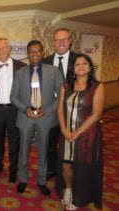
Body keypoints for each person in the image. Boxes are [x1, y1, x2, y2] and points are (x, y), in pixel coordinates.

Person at [10, 40, 63, 196]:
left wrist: (46, 110)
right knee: (23, 151)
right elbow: (13, 96)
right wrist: (25, 109)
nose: (34, 54)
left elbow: (61, 94)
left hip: (45, 117)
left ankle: (41, 180)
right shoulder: (19, 73)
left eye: (37, 51)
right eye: (31, 51)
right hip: (25, 117)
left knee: (43, 151)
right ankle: (23, 179)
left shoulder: (53, 71)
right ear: (27, 54)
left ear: (43, 53)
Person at [56, 53, 104, 210]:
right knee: (66, 166)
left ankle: (79, 197)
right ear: (73, 68)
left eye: (84, 64)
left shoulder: (97, 86)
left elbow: (97, 114)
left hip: (86, 135)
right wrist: (64, 130)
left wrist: (77, 132)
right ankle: (68, 190)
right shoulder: (66, 86)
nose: (81, 66)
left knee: (82, 168)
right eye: (77, 64)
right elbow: (60, 110)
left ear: (90, 68)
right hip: (66, 134)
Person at [0, 37, 26, 183]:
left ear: (10, 49)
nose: (1, 51)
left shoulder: (21, 66)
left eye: (3, 48)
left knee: (14, 142)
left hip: (14, 110)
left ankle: (13, 170)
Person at [42, 27, 78, 181]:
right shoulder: (45, 61)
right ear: (53, 43)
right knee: (50, 141)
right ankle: (51, 170)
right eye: (58, 40)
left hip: (72, 110)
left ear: (70, 41)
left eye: (65, 39)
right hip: (50, 109)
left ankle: (71, 171)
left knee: (71, 143)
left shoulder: (80, 60)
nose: (61, 43)